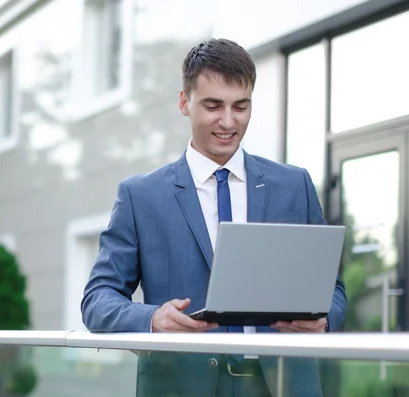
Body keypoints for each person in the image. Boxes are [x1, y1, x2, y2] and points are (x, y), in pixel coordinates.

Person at [80, 38, 347, 397]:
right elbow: (97, 299)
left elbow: (332, 286)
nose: (228, 121)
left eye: (241, 106)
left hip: (284, 384)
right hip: (181, 385)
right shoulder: (140, 196)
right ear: (184, 103)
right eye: (213, 106)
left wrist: (325, 319)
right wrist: (150, 319)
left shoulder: (293, 184)